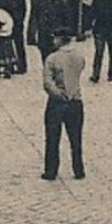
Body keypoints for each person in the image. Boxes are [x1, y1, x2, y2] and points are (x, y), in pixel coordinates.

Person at [41, 34, 87, 181]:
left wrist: (59, 93)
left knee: (53, 137)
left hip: (57, 102)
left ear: (59, 40)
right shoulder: (79, 57)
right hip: (76, 101)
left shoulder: (52, 59)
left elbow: (48, 83)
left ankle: (51, 171)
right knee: (76, 138)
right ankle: (78, 169)